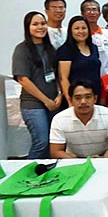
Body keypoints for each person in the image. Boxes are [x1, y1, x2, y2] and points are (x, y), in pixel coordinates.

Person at [12, 11, 61, 159]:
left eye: (42, 23)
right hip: (34, 105)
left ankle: (45, 174)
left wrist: (60, 95)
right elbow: (23, 79)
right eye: (35, 24)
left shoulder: (50, 48)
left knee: (54, 143)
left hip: (54, 103)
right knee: (41, 142)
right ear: (28, 28)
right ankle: (27, 174)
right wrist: (46, 101)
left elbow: (58, 75)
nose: (40, 27)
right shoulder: (22, 49)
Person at [50, 79, 108, 158]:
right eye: (78, 98)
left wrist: (102, 161)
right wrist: (80, 164)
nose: (83, 102)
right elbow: (56, 152)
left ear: (95, 99)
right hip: (74, 161)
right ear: (71, 100)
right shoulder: (59, 119)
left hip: (104, 158)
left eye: (88, 97)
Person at [57, 16, 102, 105]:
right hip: (77, 99)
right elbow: (63, 78)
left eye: (84, 28)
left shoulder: (94, 48)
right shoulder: (65, 50)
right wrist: (70, 101)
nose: (81, 31)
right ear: (71, 31)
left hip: (94, 96)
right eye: (77, 28)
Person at [80, 0, 108, 76]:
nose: (92, 13)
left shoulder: (107, 33)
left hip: (106, 78)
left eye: (94, 9)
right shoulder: (80, 35)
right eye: (88, 10)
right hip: (86, 79)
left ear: (99, 14)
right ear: (82, 14)